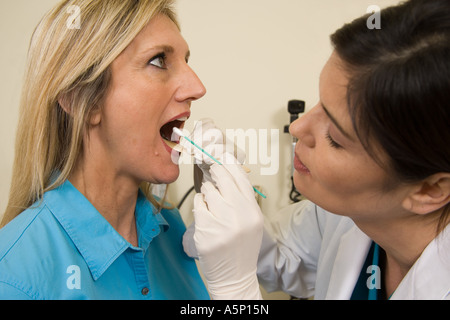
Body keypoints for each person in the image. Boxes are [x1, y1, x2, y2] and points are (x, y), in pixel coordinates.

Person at [184, 0, 450, 300]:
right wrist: (227, 204)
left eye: (335, 137)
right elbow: (283, 258)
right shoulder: (345, 217)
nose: (297, 129)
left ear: (430, 189)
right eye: (320, 103)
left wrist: (236, 293)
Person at [0, 0, 210, 300]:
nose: (197, 87)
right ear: (78, 98)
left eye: (186, 61)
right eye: (159, 60)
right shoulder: (13, 278)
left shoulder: (173, 231)